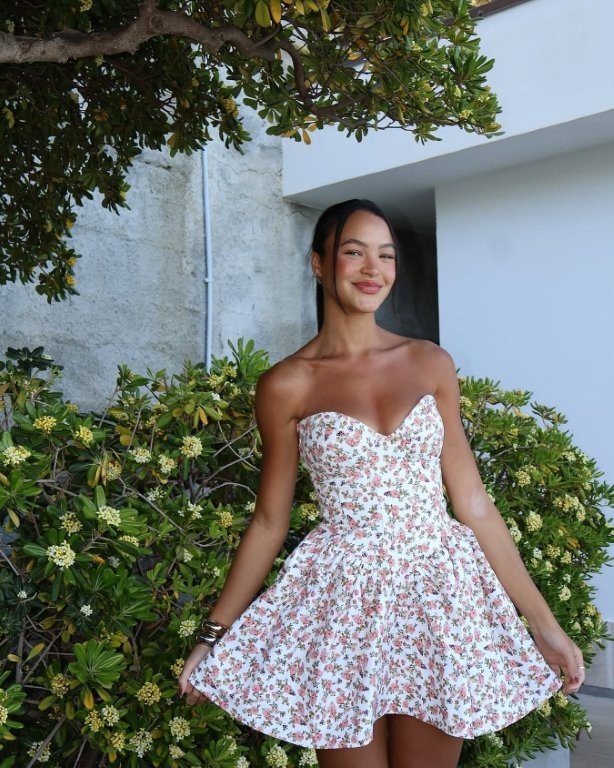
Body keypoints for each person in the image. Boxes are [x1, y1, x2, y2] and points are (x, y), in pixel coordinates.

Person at [178, 199, 585, 768]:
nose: (373, 269)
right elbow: (270, 521)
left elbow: (473, 504)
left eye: (386, 255)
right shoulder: (287, 385)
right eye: (354, 252)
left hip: (437, 597)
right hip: (344, 606)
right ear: (319, 263)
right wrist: (212, 636)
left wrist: (545, 627)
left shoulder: (430, 363)